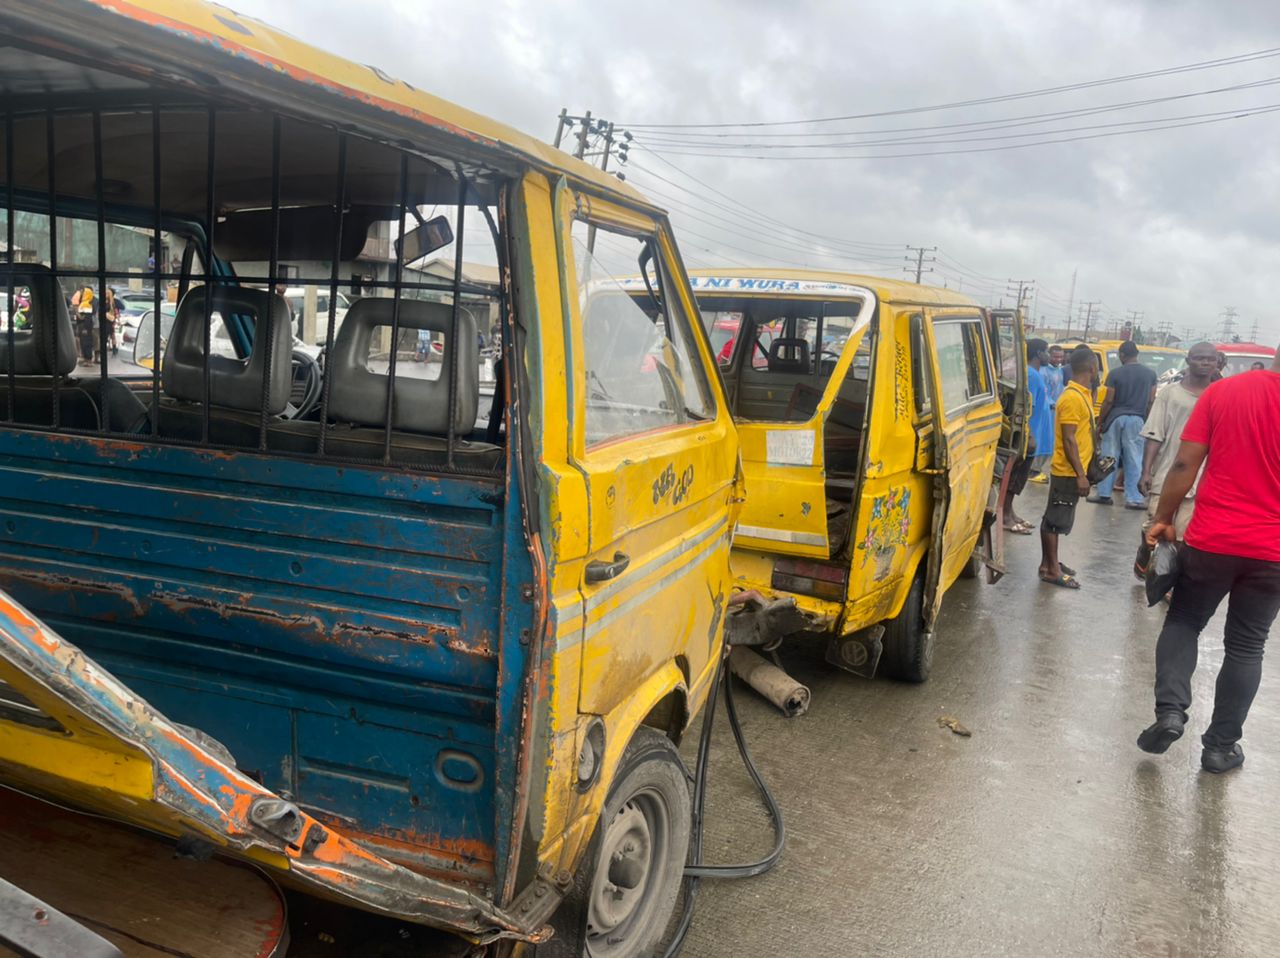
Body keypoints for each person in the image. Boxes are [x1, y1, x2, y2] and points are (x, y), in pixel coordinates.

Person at [1136, 348, 1280, 773]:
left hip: (1213, 539)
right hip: (1272, 552)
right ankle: (1220, 748)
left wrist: (1164, 519)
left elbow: (1185, 462)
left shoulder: (1224, 392)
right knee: (1247, 645)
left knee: (1184, 621)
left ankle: (1171, 712)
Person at [1132, 342, 1217, 579]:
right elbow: (1155, 435)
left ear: (1217, 362)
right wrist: (1146, 471)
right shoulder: (1170, 394)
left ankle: (1166, 583)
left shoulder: (1219, 395)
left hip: (1200, 478)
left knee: (1181, 535)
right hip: (1166, 473)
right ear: (1188, 361)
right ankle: (1145, 553)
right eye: (1199, 358)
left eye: (1210, 359)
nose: (1205, 363)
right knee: (1155, 526)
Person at [1038, 346, 1096, 589]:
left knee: (1057, 517)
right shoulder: (1072, 397)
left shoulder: (1082, 394)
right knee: (1054, 521)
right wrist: (1080, 474)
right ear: (1092, 368)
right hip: (1067, 471)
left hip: (1073, 469)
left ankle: (1049, 563)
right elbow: (1069, 438)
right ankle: (1051, 570)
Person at [1088, 341, 1157, 508]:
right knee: (1134, 457)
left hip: (1115, 418)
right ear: (1137, 354)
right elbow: (1151, 401)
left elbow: (1109, 400)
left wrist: (1100, 422)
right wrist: (1148, 422)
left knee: (1109, 456)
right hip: (1137, 419)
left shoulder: (1115, 373)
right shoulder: (1150, 374)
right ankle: (1134, 498)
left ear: (1122, 355)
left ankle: (1104, 494)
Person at [1005, 339, 1052, 534]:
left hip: (1033, 436)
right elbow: (1024, 407)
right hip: (1026, 438)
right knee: (1014, 478)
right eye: (1047, 351)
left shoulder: (1035, 374)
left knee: (1019, 479)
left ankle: (1010, 512)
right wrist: (1029, 436)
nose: (1049, 355)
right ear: (1039, 353)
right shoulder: (1030, 375)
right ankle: (1005, 517)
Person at [1030, 344, 1066, 484]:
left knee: (1049, 441)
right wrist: (1050, 403)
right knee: (1040, 440)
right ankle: (1034, 469)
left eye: (1061, 357)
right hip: (1046, 410)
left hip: (1054, 411)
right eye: (1055, 356)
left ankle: (1037, 468)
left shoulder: (1059, 371)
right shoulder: (1041, 372)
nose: (1058, 360)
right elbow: (1042, 393)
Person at [69, 284, 96, 364]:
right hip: (81, 324)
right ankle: (85, 358)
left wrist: (85, 328)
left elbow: (87, 317)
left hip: (86, 326)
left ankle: (88, 359)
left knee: (87, 342)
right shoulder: (83, 302)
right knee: (83, 342)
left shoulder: (88, 304)